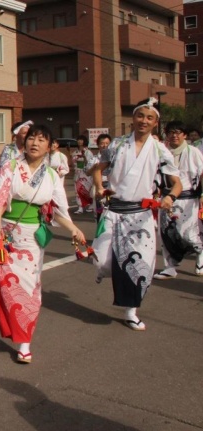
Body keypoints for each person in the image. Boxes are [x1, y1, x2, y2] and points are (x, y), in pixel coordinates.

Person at [0, 125, 85, 364]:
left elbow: (57, 210)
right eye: (31, 138)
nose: (34, 143)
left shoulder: (51, 176)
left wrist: (73, 229)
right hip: (5, 233)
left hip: (30, 240)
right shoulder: (10, 168)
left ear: (50, 146)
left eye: (41, 139)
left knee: (29, 290)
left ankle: (24, 342)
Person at [92, 97, 182, 331]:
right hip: (114, 211)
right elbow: (98, 168)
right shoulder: (118, 144)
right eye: (140, 116)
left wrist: (170, 197)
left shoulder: (160, 150)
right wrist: (100, 187)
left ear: (155, 123)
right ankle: (104, 270)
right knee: (102, 260)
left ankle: (131, 310)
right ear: (132, 119)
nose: (144, 120)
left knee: (140, 266)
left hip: (140, 215)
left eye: (149, 118)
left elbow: (176, 182)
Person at [153, 121, 203, 279]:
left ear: (184, 135)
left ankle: (200, 253)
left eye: (178, 132)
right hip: (166, 197)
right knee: (166, 232)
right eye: (171, 132)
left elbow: (201, 174)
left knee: (187, 233)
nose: (174, 135)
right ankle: (169, 267)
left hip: (188, 198)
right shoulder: (163, 151)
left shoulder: (193, 151)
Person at [86, 133, 112, 222]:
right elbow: (87, 172)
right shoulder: (94, 159)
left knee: (111, 212)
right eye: (102, 143)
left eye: (107, 143)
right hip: (98, 189)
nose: (104, 145)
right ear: (98, 145)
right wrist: (95, 167)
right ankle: (99, 231)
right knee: (99, 212)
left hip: (111, 188)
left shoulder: (115, 158)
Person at [70, 135, 95, 214]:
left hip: (86, 174)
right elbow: (73, 163)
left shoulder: (88, 152)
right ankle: (80, 207)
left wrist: (84, 157)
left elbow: (90, 163)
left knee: (87, 191)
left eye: (81, 140)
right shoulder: (75, 152)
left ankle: (90, 204)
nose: (80, 141)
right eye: (78, 140)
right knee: (77, 190)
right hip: (77, 173)